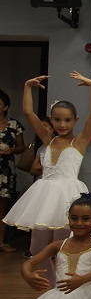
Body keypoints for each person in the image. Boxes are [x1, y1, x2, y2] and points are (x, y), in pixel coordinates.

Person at [3, 72, 91, 288]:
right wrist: (28, 87)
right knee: (37, 247)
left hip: (68, 195)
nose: (62, 124)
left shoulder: (80, 142)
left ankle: (66, 284)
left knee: (65, 245)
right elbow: (28, 112)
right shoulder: (47, 139)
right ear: (51, 121)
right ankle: (51, 285)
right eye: (57, 119)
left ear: (75, 120)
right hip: (43, 196)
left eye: (67, 120)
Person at [0, 88, 26, 253]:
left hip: (5, 171)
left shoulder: (14, 124)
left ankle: (1, 242)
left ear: (5, 107)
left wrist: (11, 150)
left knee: (2, 208)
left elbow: (21, 147)